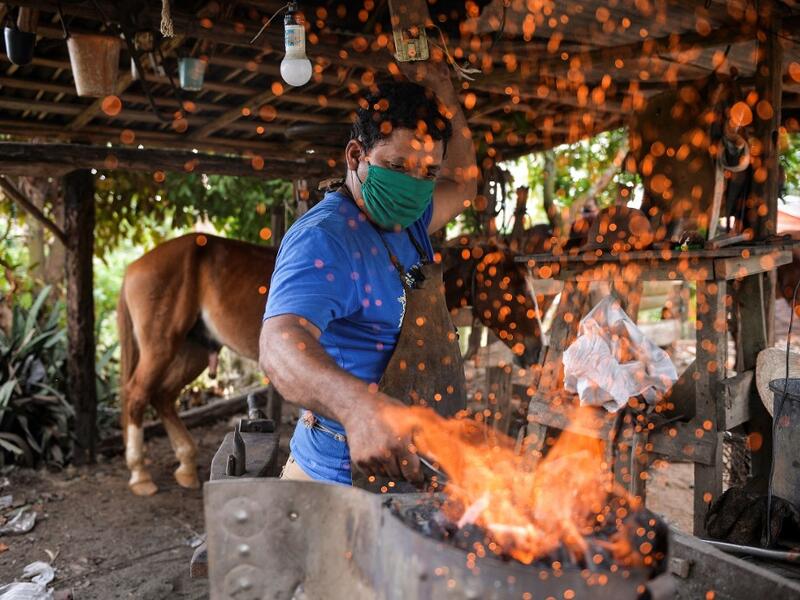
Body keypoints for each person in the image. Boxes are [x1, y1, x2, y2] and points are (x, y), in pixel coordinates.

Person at [258, 60, 477, 486]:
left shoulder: (409, 219)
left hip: (415, 471)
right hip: (337, 480)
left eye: (427, 173)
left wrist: (445, 91)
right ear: (357, 155)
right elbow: (278, 344)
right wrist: (358, 407)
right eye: (398, 167)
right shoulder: (326, 239)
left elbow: (465, 183)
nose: (414, 185)